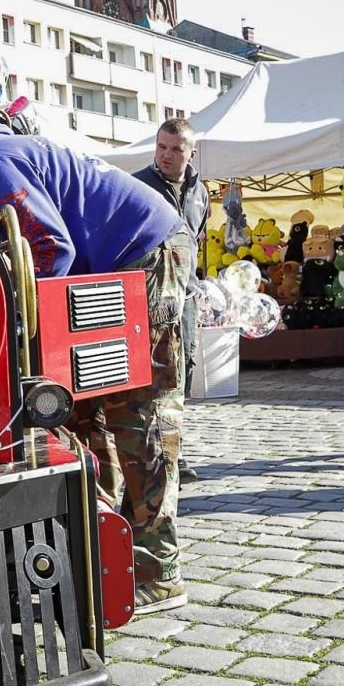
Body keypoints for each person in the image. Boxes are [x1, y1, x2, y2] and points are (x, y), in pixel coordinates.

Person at [0, 118, 195, 613]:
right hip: (118, 260)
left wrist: (15, 325)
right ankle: (105, 554)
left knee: (141, 415)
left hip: (147, 252)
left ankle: (158, 570)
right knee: (86, 411)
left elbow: (49, 249)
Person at [133, 118, 210, 484]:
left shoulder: (201, 191)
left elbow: (197, 240)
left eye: (176, 149)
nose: (166, 154)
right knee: (154, 377)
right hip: (150, 299)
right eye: (161, 147)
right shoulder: (137, 185)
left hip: (188, 297)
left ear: (191, 152)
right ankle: (153, 457)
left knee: (183, 372)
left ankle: (174, 454)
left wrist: (200, 286)